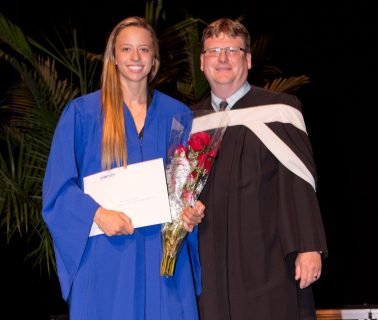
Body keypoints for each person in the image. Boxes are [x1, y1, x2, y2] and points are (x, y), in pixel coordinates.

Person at [42, 16, 205, 320]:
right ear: (113, 57)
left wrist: (190, 212)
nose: (135, 57)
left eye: (143, 50)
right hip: (106, 257)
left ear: (154, 59)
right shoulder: (83, 114)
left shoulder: (178, 116)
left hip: (164, 261)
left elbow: (187, 187)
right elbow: (57, 190)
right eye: (126, 49)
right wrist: (97, 214)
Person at [191, 18, 328, 320]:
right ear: (202, 62)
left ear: (248, 59)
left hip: (268, 257)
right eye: (214, 51)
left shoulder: (279, 111)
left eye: (232, 50)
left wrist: (309, 246)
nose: (222, 58)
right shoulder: (189, 122)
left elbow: (299, 183)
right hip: (208, 261)